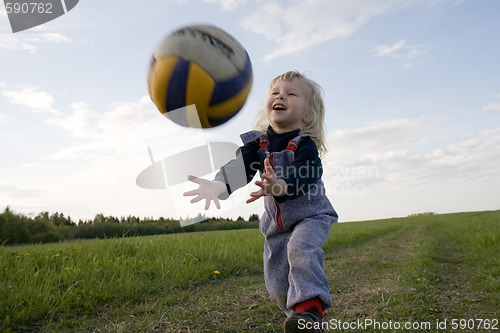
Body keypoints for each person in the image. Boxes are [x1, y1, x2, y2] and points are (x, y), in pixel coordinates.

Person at [184, 71, 338, 332]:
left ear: (307, 115)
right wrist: (219, 184)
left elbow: (310, 172)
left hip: (311, 216)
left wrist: (282, 185)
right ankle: (299, 318)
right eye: (275, 92)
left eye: (291, 93)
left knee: (300, 248)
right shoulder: (258, 144)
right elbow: (240, 167)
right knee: (278, 285)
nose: (280, 96)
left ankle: (310, 310)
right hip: (276, 226)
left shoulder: (304, 145)